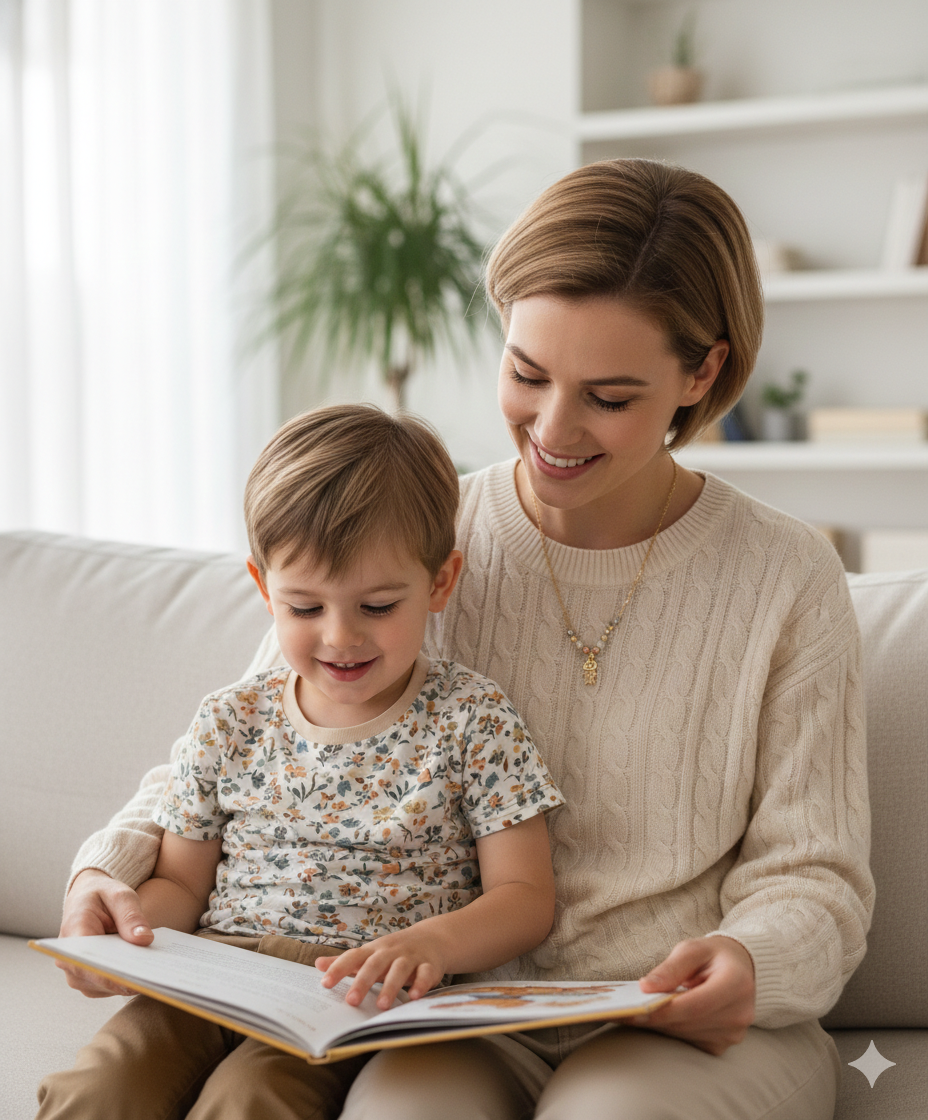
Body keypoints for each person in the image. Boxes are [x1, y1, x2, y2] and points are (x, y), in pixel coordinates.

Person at [54, 159, 873, 1120]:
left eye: (609, 398)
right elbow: (255, 737)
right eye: (527, 374)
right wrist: (105, 873)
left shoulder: (783, 576)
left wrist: (750, 960)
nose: (553, 428)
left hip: (677, 1021)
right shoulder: (413, 537)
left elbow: (814, 873)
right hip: (459, 1014)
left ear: (704, 372)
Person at [37, 404, 565, 1119]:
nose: (340, 636)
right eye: (305, 608)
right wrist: (121, 942)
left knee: (251, 1099)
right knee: (98, 1090)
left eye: (378, 606)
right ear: (264, 589)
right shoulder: (230, 719)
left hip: (346, 993)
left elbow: (526, 897)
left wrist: (434, 944)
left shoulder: (473, 718)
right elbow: (181, 884)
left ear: (441, 583)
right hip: (209, 972)